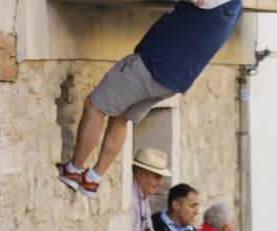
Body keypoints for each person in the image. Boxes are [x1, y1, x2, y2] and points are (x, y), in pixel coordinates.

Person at [57, 0, 241, 197]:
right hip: (171, 82)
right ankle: (93, 179)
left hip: (150, 67)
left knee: (95, 107)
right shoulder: (235, 7)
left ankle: (73, 170)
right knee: (121, 118)